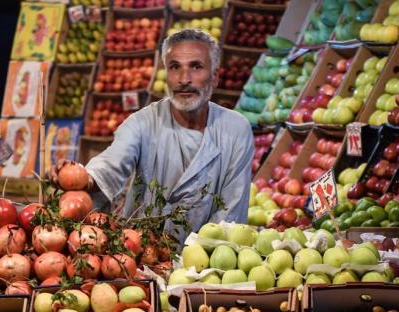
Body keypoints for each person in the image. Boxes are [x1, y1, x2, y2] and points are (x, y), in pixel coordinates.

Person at [54, 29, 253, 243]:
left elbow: (231, 213)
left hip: (207, 265)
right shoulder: (142, 123)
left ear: (214, 77)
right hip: (141, 256)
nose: (184, 79)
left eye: (196, 67)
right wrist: (83, 177)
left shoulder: (235, 130)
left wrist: (197, 263)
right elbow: (112, 163)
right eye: (175, 67)